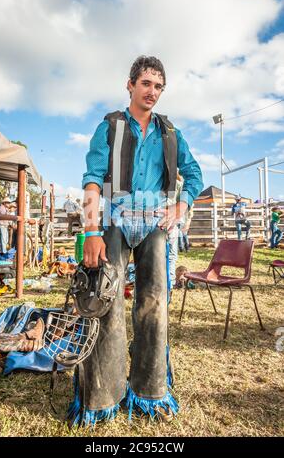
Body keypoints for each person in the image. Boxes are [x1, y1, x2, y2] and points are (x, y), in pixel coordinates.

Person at [71, 55, 203, 427]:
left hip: (154, 225)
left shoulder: (170, 133)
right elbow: (94, 179)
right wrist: (92, 232)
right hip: (113, 219)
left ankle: (149, 391)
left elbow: (193, 174)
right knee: (103, 302)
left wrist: (182, 204)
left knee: (154, 305)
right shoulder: (110, 127)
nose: (153, 92)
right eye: (146, 83)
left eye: (159, 86)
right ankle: (102, 397)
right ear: (130, 85)